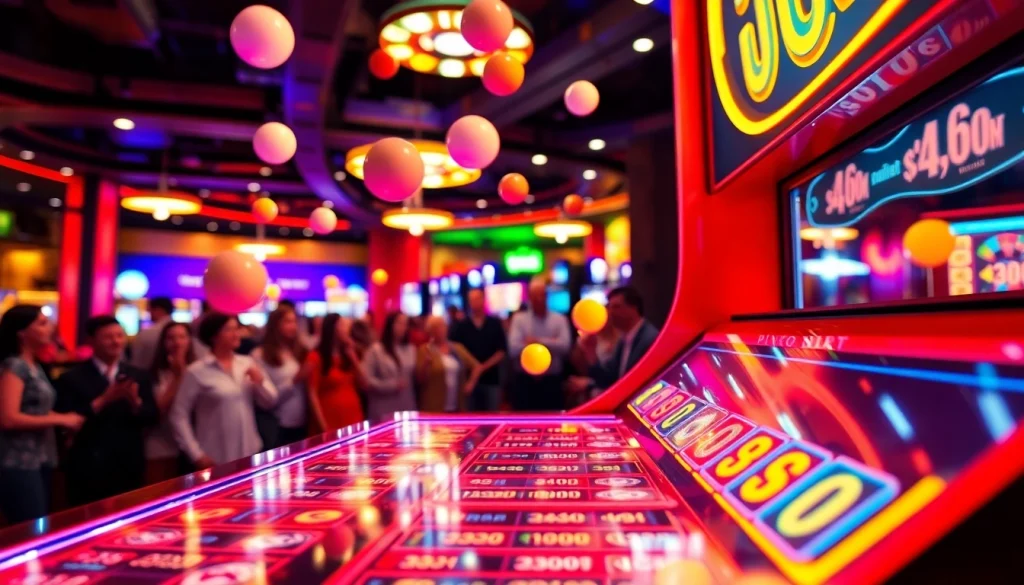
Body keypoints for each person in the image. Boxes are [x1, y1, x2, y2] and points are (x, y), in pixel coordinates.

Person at [56, 315, 158, 506]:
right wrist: (104, 399)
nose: (116, 341)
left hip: (129, 462)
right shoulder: (71, 378)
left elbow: (152, 417)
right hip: (88, 464)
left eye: (120, 336)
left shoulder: (138, 375)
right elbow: (65, 421)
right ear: (91, 341)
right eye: (108, 337)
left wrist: (135, 402)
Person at [0, 306, 84, 524]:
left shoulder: (33, 365)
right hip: (17, 460)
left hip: (40, 456)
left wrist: (63, 417)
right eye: (42, 323)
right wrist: (61, 419)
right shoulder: (14, 365)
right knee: (29, 529)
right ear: (22, 332)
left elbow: (35, 409)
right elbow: (8, 418)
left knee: (39, 524)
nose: (50, 328)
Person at [170, 313, 278, 468]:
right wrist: (196, 454)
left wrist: (260, 382)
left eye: (237, 329)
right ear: (214, 336)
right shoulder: (197, 371)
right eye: (229, 330)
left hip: (250, 451)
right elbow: (179, 415)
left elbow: (271, 401)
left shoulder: (247, 363)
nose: (236, 334)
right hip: (216, 456)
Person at [569, 287, 659, 396]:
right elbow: (610, 379)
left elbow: (632, 384)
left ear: (633, 309)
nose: (610, 313)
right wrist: (591, 352)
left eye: (616, 307)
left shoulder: (648, 338)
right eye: (610, 307)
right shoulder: (624, 339)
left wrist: (589, 385)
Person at [507, 277, 572, 411]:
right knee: (522, 426)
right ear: (529, 297)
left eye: (541, 295)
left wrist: (536, 341)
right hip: (524, 383)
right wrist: (552, 342)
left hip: (552, 381)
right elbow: (513, 349)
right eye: (534, 295)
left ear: (546, 296)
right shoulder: (519, 319)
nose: (538, 299)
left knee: (554, 426)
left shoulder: (559, 319)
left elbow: (565, 347)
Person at [146, 321, 196, 484]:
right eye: (171, 338)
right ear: (163, 343)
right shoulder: (154, 374)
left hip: (194, 445)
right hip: (162, 447)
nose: (177, 342)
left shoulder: (200, 369)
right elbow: (157, 410)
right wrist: (177, 376)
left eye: (182, 337)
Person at [252, 307, 309, 448]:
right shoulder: (260, 355)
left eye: (294, 321)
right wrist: (295, 380)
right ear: (275, 325)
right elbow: (268, 398)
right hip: (279, 424)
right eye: (287, 322)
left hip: (303, 422)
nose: (293, 326)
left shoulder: (299, 350)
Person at [304, 314, 365, 434]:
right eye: (342, 325)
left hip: (353, 415)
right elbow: (312, 394)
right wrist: (324, 427)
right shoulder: (316, 357)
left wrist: (353, 358)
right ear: (332, 328)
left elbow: (364, 384)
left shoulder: (347, 355)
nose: (346, 329)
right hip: (331, 417)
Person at [450, 289, 507, 412]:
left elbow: (501, 351)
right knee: (471, 417)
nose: (474, 302)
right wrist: (473, 366)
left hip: (492, 379)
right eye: (471, 300)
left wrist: (482, 367)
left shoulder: (494, 323)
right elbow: (456, 349)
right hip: (469, 380)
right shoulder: (461, 325)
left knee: (492, 417)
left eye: (477, 299)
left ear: (483, 300)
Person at [415, 316, 481, 413]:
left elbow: (477, 366)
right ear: (431, 331)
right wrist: (426, 365)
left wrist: (470, 384)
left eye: (443, 326)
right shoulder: (424, 350)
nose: (441, 330)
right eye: (437, 327)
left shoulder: (457, 348)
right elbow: (419, 379)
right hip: (434, 406)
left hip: (457, 403)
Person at [361, 312, 417, 419]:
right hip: (383, 407)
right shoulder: (375, 350)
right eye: (399, 323)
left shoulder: (411, 349)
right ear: (390, 325)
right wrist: (391, 385)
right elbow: (366, 380)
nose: (403, 328)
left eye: (405, 324)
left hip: (406, 406)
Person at [131, 297, 173, 370]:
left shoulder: (146, 334)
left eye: (150, 310)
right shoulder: (186, 332)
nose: (149, 314)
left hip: (148, 378)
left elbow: (136, 363)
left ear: (158, 310)